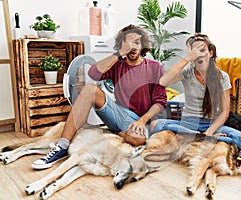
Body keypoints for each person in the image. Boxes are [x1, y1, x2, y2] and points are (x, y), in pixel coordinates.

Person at [32, 24, 167, 169]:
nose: (133, 46)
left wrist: (142, 121)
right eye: (128, 42)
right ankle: (62, 147)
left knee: (138, 140)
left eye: (137, 42)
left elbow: (160, 101)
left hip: (140, 118)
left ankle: (118, 133)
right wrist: (118, 54)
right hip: (118, 113)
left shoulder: (154, 66)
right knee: (90, 89)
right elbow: (93, 73)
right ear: (122, 45)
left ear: (143, 45)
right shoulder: (117, 64)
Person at [150, 33, 241, 149]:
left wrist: (209, 132)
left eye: (202, 50)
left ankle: (198, 138)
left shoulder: (222, 76)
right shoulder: (187, 72)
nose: (198, 55)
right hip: (188, 123)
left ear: (211, 53)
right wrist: (187, 59)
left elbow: (224, 112)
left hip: (212, 124)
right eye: (194, 52)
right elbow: (163, 81)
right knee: (154, 125)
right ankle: (204, 139)